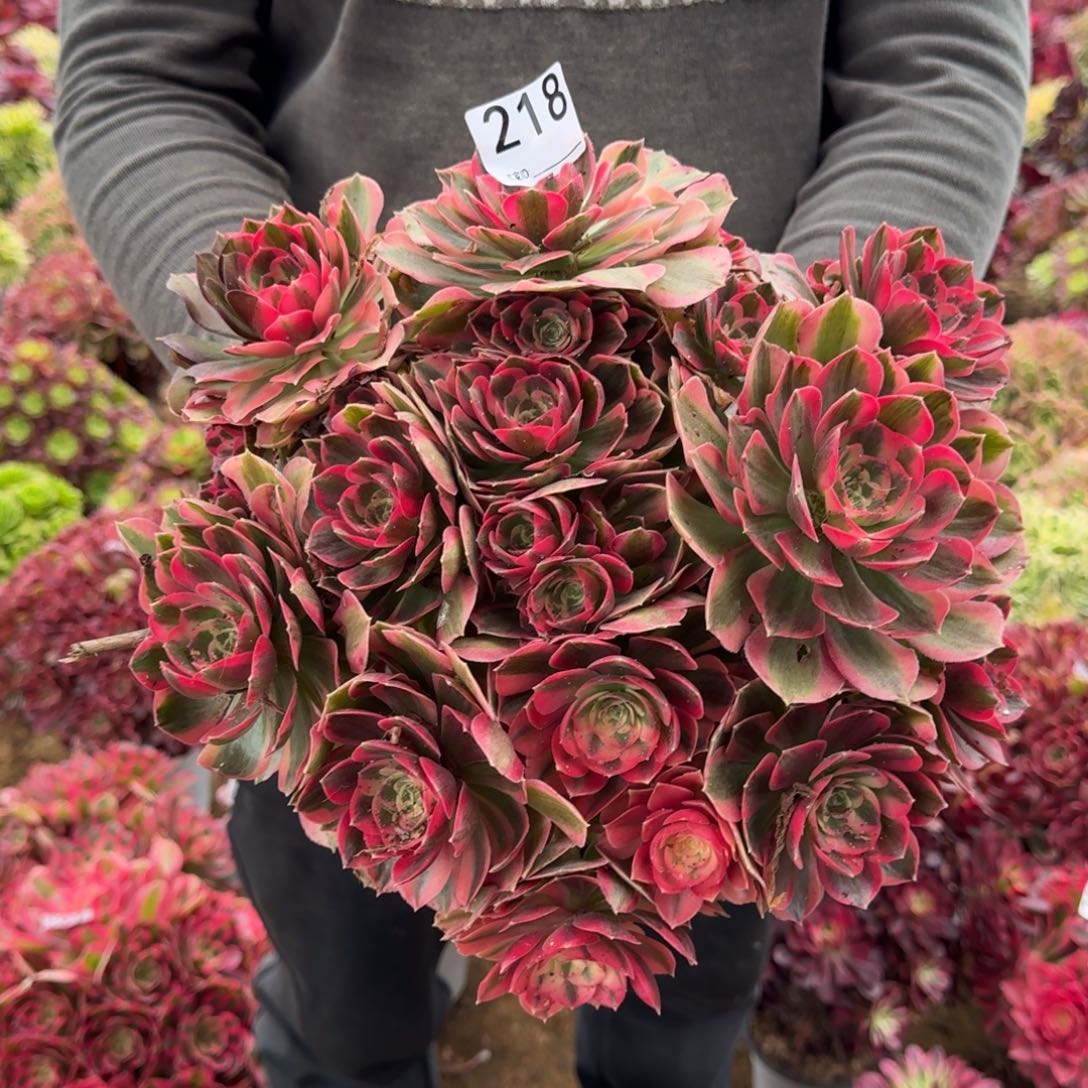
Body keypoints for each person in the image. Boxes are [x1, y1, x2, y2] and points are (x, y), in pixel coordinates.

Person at [53, 2, 1030, 1086]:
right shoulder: (328, 480)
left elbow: (940, 65)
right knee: (342, 946)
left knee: (694, 962)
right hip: (332, 517)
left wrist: (784, 369)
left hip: (747, 619)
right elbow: (139, 70)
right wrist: (293, 357)